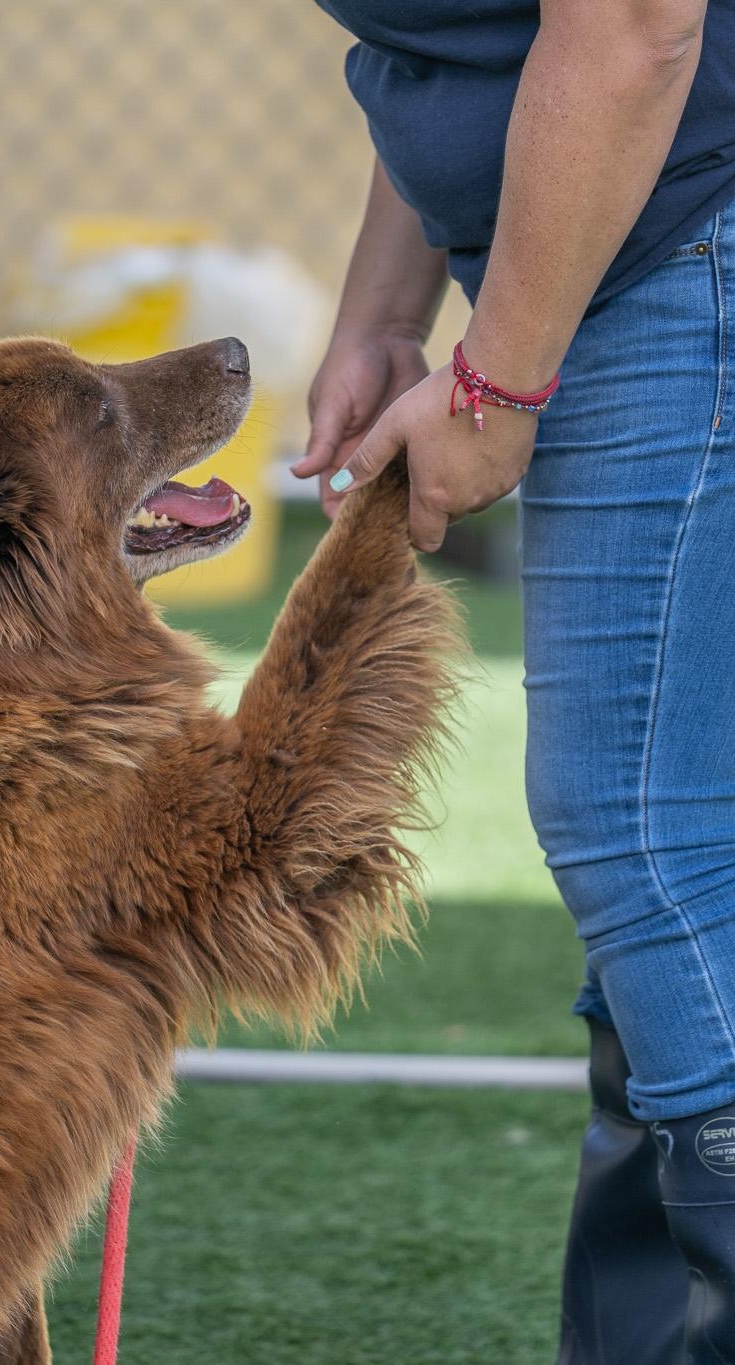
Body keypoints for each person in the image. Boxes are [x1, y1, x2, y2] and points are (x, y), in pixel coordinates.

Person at [301, 2, 735, 1360]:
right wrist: (389, 310)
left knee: (645, 832)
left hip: (681, 216)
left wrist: (498, 381)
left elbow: (631, 23)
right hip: (634, 210)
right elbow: (476, 36)